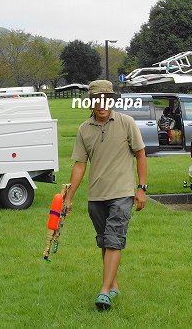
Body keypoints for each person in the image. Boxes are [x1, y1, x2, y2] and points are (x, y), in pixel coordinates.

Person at [64, 80, 148, 311]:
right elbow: (80, 165)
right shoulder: (84, 129)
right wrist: (69, 197)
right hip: (96, 196)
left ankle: (104, 291)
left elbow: (141, 155)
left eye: (105, 99)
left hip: (122, 193)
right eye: (96, 99)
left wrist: (141, 188)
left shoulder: (126, 123)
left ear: (111, 100)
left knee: (113, 239)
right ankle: (114, 284)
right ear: (90, 101)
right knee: (105, 241)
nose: (101, 104)